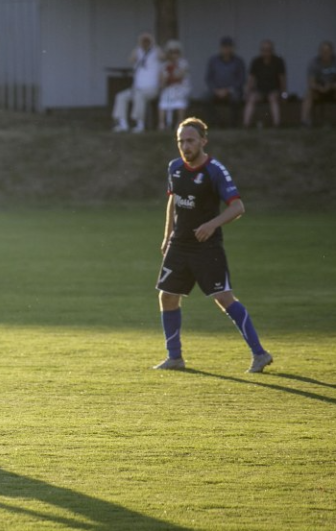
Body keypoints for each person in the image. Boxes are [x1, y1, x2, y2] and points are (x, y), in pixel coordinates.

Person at [154, 117, 272, 373]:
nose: (185, 146)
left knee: (223, 298)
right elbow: (173, 201)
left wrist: (212, 224)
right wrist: (167, 236)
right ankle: (175, 358)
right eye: (181, 141)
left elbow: (238, 207)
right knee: (167, 297)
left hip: (206, 249)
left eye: (190, 141)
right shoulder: (174, 167)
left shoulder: (215, 170)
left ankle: (260, 354)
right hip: (179, 245)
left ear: (203, 141)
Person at [112, 32, 162, 133]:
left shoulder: (156, 52)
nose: (145, 43)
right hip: (137, 88)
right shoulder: (138, 52)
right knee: (121, 96)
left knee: (139, 96)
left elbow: (163, 56)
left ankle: (140, 124)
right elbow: (131, 59)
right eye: (143, 41)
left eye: (147, 41)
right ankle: (123, 124)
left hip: (151, 89)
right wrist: (140, 48)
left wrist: (153, 45)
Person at [243, 40, 286, 128]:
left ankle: (277, 124)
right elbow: (251, 78)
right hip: (259, 90)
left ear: (272, 50)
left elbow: (282, 79)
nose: (266, 52)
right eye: (264, 50)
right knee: (251, 98)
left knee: (273, 99)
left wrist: (283, 94)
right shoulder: (256, 61)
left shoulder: (278, 61)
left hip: (274, 90)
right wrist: (247, 91)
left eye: (268, 50)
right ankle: (246, 124)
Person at [204, 36, 246, 128]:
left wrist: (228, 90)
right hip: (216, 91)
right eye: (224, 47)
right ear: (220, 48)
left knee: (236, 98)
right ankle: (215, 124)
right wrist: (216, 90)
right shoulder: (213, 61)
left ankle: (233, 125)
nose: (226, 49)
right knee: (206, 98)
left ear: (232, 48)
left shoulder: (238, 61)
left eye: (228, 47)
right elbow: (208, 78)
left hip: (232, 91)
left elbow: (241, 79)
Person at [158, 40, 191, 131]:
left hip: (180, 87)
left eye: (176, 52)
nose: (173, 55)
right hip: (168, 88)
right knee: (163, 101)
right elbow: (162, 81)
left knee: (179, 100)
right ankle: (162, 124)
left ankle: (179, 123)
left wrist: (171, 72)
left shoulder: (183, 63)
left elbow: (179, 76)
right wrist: (165, 80)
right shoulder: (164, 65)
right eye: (171, 52)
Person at [301, 40, 336, 127]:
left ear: (332, 51)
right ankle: (304, 121)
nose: (325, 53)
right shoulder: (314, 63)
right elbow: (311, 83)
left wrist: (331, 86)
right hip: (319, 90)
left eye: (327, 51)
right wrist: (320, 88)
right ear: (319, 52)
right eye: (323, 51)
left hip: (333, 89)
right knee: (308, 93)